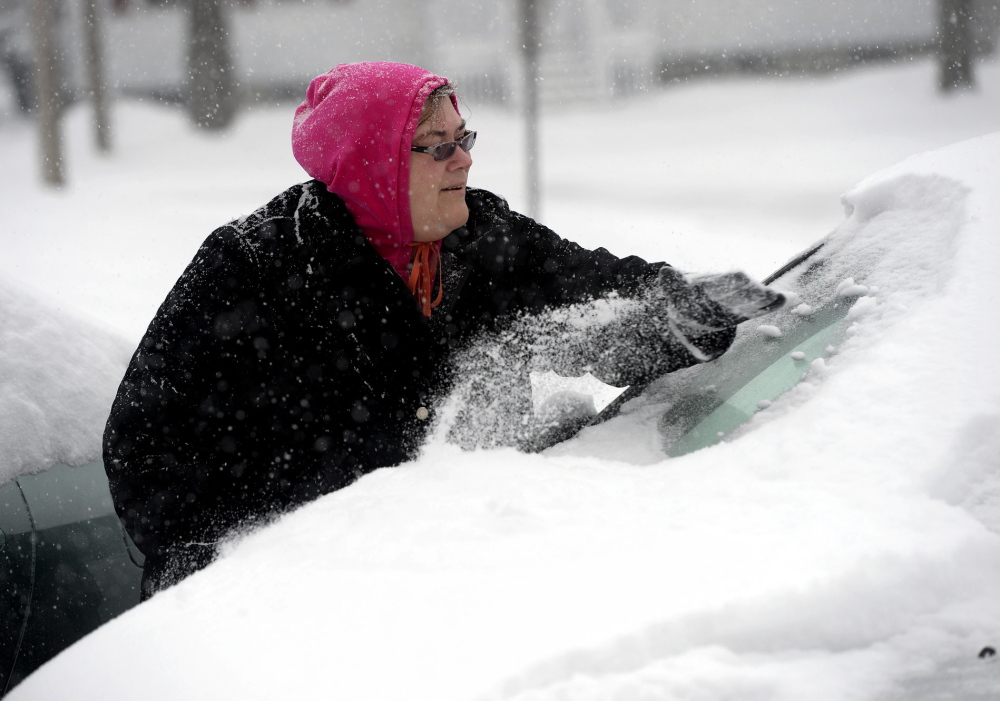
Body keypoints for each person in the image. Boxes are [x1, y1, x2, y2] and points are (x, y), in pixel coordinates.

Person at [104, 62, 784, 599]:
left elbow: (597, 295)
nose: (462, 159)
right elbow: (145, 444)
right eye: (436, 147)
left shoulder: (478, 236)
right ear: (367, 164)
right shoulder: (256, 266)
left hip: (455, 575)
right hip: (298, 597)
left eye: (465, 139)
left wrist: (696, 313)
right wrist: (240, 558)